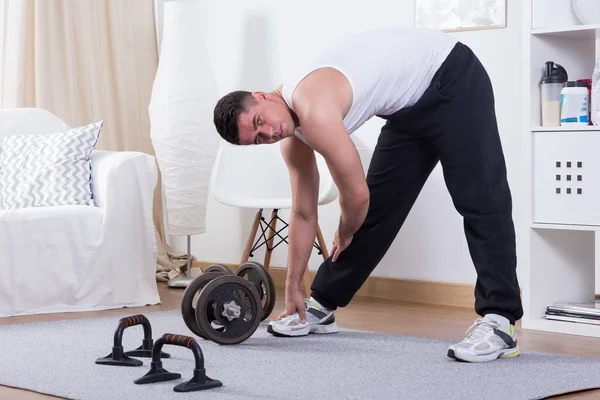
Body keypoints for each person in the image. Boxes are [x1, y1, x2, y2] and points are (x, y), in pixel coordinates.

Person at [212, 26, 523, 363]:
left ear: (261, 95)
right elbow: (303, 213)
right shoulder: (291, 141)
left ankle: (500, 322)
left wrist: (345, 230)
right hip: (407, 108)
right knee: (376, 211)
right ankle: (320, 305)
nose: (270, 133)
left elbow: (355, 196)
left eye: (260, 121)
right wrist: (292, 287)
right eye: (258, 138)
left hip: (453, 77)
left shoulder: (313, 109)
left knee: (480, 197)